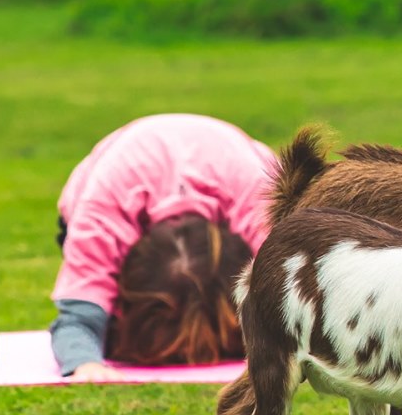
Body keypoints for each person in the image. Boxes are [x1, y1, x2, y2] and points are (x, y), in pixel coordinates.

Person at [52, 114, 277, 378]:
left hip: (244, 172)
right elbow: (79, 315)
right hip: (107, 182)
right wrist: (85, 363)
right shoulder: (99, 218)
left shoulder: (265, 213)